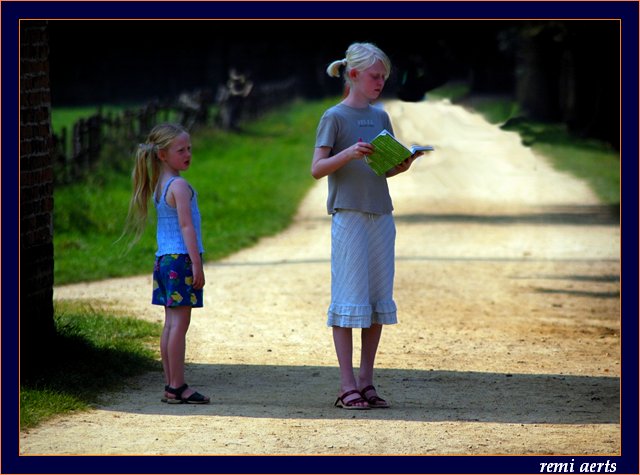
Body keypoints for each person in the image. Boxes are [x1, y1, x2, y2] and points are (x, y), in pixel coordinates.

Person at [311, 43, 423, 410]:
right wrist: (348, 153)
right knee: (347, 297)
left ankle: (366, 381)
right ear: (354, 75)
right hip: (348, 215)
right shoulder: (334, 116)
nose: (380, 83)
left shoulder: (381, 116)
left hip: (381, 214)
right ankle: (346, 386)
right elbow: (317, 168)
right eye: (375, 76)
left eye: (384, 77)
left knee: (376, 299)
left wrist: (401, 165)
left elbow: (383, 168)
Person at [123, 123, 210, 404]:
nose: (187, 154)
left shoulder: (159, 186)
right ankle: (178, 385)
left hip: (163, 260)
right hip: (180, 261)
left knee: (170, 325)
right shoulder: (180, 186)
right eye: (180, 150)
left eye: (189, 149)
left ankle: (170, 385)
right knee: (179, 326)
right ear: (162, 154)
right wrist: (196, 264)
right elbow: (187, 227)